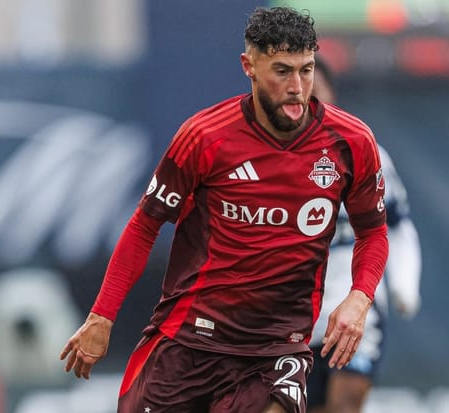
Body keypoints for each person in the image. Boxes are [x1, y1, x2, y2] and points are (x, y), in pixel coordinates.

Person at [59, 7, 389, 413]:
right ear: (249, 67)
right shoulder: (205, 136)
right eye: (282, 71)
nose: (297, 87)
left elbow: (373, 233)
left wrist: (360, 297)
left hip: (276, 348)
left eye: (305, 71)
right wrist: (102, 316)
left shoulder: (351, 142)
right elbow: (145, 226)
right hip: (189, 341)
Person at [305, 57, 422, 413]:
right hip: (296, 315)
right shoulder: (274, 161)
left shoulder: (363, 151)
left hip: (355, 308)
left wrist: (404, 284)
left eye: (316, 91)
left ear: (333, 96)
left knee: (345, 403)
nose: (307, 101)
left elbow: (397, 225)